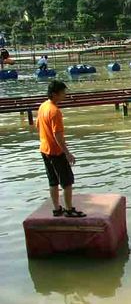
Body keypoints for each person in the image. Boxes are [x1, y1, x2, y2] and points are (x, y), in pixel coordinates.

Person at [36, 81, 86, 217]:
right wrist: (67, 153)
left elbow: (37, 126)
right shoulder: (55, 111)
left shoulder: (43, 106)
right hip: (55, 151)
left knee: (53, 181)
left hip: (44, 149)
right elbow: (57, 135)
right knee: (67, 181)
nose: (65, 95)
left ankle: (57, 208)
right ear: (54, 94)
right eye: (62, 92)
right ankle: (69, 210)